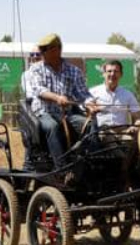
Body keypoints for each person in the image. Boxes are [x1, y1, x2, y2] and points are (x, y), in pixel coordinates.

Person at [21, 33, 95, 167]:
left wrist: (90, 104)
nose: (41, 53)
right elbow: (39, 90)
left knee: (89, 125)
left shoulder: (74, 71)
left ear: (57, 50)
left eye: (44, 50)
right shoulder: (35, 69)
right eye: (41, 50)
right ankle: (61, 168)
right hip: (43, 113)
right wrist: (57, 98)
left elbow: (83, 94)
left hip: (67, 115)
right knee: (52, 126)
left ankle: (85, 164)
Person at [88, 60, 140, 128]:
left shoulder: (128, 94)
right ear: (103, 74)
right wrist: (91, 109)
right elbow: (84, 112)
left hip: (123, 134)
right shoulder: (93, 92)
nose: (112, 74)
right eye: (109, 71)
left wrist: (135, 126)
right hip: (99, 134)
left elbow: (138, 118)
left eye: (116, 71)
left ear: (121, 74)